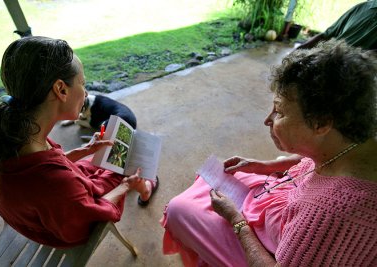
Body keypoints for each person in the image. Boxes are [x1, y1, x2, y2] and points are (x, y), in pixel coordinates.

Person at [160, 40, 377, 266]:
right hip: (281, 202)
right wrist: (263, 166)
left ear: (321, 123)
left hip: (269, 246)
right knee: (218, 178)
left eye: (279, 111)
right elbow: (318, 159)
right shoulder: (352, 144)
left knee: (179, 209)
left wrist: (237, 220)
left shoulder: (329, 215)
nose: (268, 120)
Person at [0, 36, 157, 248]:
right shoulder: (53, 181)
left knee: (102, 157)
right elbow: (86, 219)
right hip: (64, 224)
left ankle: (141, 184)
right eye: (82, 83)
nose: (86, 92)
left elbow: (48, 167)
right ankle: (144, 187)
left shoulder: (4, 130)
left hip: (39, 210)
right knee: (125, 166)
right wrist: (124, 187)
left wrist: (84, 150)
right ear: (60, 90)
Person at [296, 0, 377, 50]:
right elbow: (327, 34)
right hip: (329, 58)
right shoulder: (362, 8)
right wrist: (300, 49)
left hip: (356, 72)